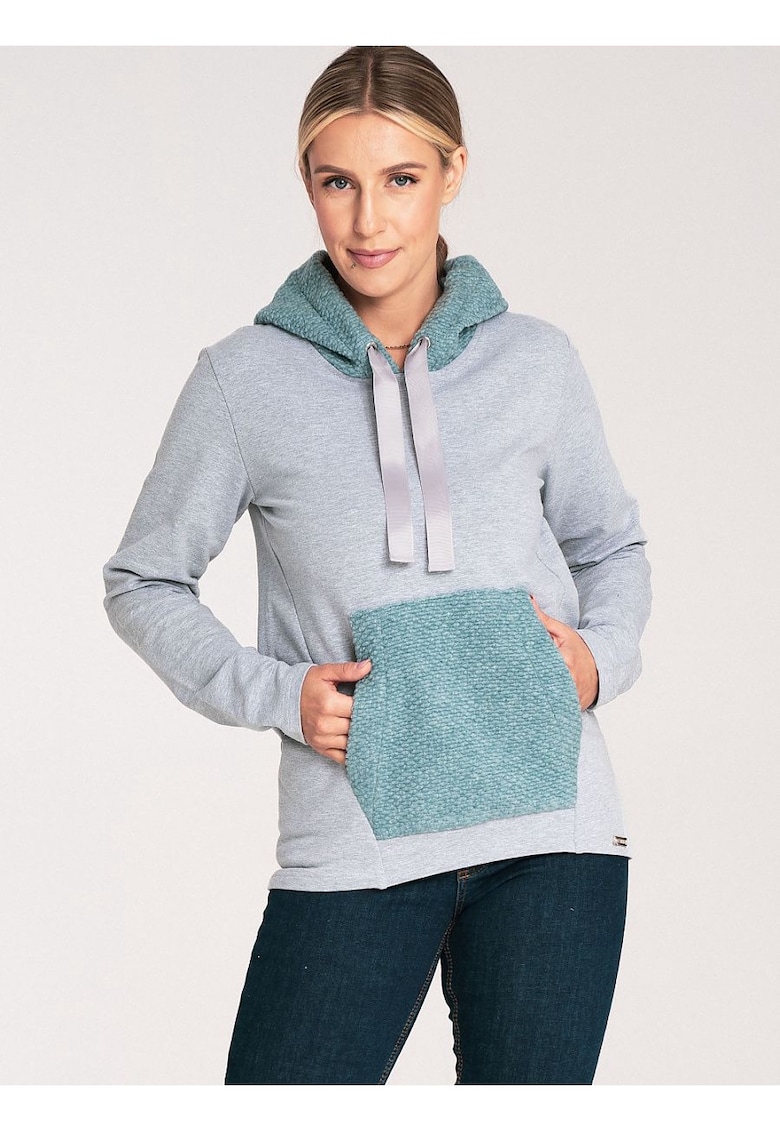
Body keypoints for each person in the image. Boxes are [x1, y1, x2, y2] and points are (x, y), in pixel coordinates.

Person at [102, 45, 652, 1085]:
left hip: (555, 836)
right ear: (306, 183)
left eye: (400, 178)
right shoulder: (243, 379)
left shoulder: (537, 362)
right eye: (337, 181)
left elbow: (610, 544)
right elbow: (144, 579)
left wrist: (598, 662)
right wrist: (278, 693)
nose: (368, 220)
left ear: (453, 171)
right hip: (354, 840)